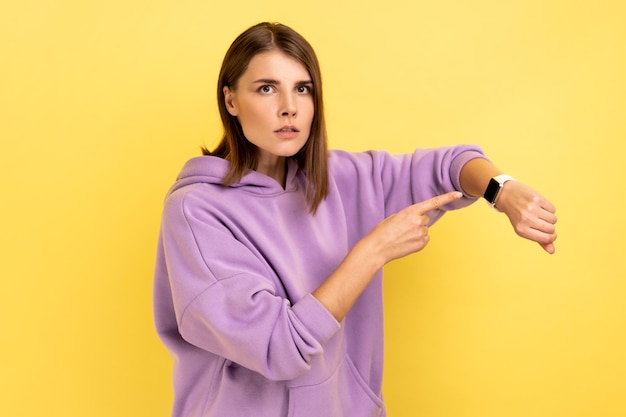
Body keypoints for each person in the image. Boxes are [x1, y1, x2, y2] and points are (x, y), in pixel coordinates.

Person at [153, 22, 557, 417]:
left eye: (302, 89)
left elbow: (450, 165)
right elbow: (279, 346)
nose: (289, 107)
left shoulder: (339, 179)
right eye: (266, 88)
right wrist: (373, 250)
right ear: (230, 100)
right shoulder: (197, 211)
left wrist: (501, 190)